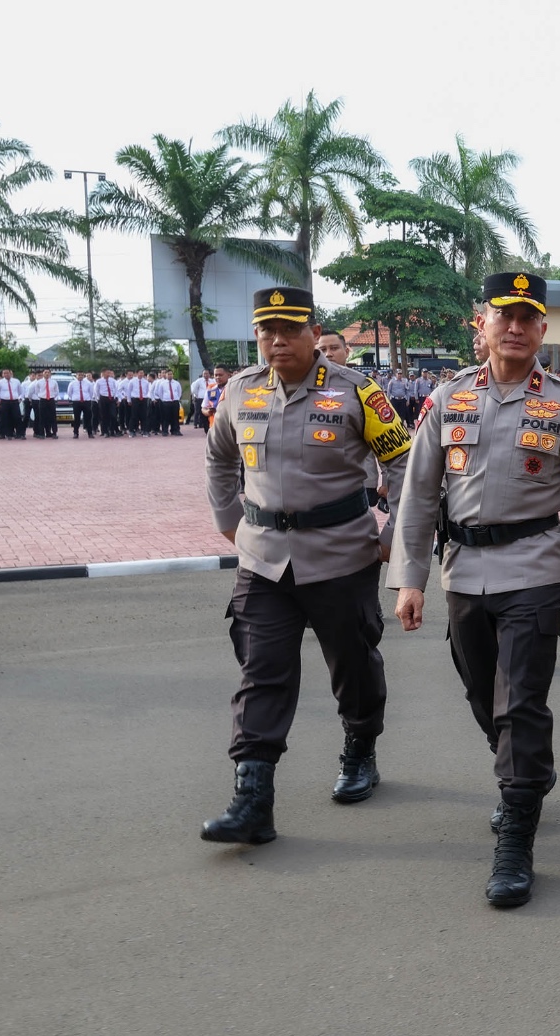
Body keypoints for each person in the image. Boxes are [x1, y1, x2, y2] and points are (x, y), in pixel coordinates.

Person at [387, 271, 560, 908]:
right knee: (484, 695)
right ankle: (528, 769)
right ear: (481, 324)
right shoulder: (445, 399)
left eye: (527, 318)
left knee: (521, 703)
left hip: (534, 568)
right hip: (463, 572)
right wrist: (410, 578)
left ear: (542, 330)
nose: (514, 327)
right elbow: (418, 492)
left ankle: (515, 837)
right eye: (503, 316)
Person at [200, 286, 411, 846]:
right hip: (263, 560)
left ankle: (360, 748)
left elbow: (406, 463)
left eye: (289, 330)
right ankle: (253, 798)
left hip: (341, 556)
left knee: (354, 665)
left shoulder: (357, 391)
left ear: (313, 334)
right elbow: (219, 458)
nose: (276, 341)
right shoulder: (240, 391)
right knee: (261, 672)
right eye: (266, 331)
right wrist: (230, 522)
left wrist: (394, 534)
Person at [0, 370, 24, 439]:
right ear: (3, 375)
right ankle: (1, 433)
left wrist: (18, 398)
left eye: (7, 373)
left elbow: (20, 391)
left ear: (10, 373)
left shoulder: (16, 381)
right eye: (4, 373)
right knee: (3, 417)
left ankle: (20, 433)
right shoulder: (0, 383)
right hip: (4, 401)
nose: (6, 374)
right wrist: (2, 398)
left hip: (14, 401)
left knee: (17, 417)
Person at [154, 371, 184, 435]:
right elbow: (159, 393)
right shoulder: (162, 383)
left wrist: (177, 398)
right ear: (166, 375)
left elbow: (179, 392)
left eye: (171, 374)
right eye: (168, 374)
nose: (170, 375)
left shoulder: (176, 383)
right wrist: (164, 399)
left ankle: (175, 430)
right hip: (166, 402)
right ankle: (165, 431)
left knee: (175, 417)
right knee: (165, 417)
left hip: (175, 401)